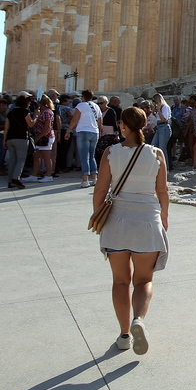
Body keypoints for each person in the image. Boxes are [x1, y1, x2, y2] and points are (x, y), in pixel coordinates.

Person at [94, 106, 169, 354]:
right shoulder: (157, 154)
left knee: (120, 281)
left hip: (117, 222)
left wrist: (98, 217)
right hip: (148, 220)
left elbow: (101, 189)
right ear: (145, 124)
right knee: (144, 279)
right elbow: (163, 191)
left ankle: (125, 335)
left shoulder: (110, 152)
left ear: (122, 126)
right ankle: (139, 320)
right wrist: (164, 218)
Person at [64, 89, 102, 189]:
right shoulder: (96, 106)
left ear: (83, 97)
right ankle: (94, 178)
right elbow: (100, 121)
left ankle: (85, 179)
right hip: (94, 132)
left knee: (84, 156)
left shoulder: (81, 105)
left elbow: (75, 119)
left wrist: (68, 131)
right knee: (92, 156)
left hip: (83, 131)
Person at [2, 93, 35, 190]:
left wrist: (4, 140)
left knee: (13, 160)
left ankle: (10, 181)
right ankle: (16, 178)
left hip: (10, 138)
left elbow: (6, 128)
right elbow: (30, 124)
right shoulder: (25, 112)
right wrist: (36, 117)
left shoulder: (10, 113)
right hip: (21, 138)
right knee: (21, 159)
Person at [26, 94, 60, 183]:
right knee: (36, 156)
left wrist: (39, 137)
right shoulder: (41, 112)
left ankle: (49, 175)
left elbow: (47, 126)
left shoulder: (47, 112)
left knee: (47, 156)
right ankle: (34, 174)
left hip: (46, 137)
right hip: (41, 136)